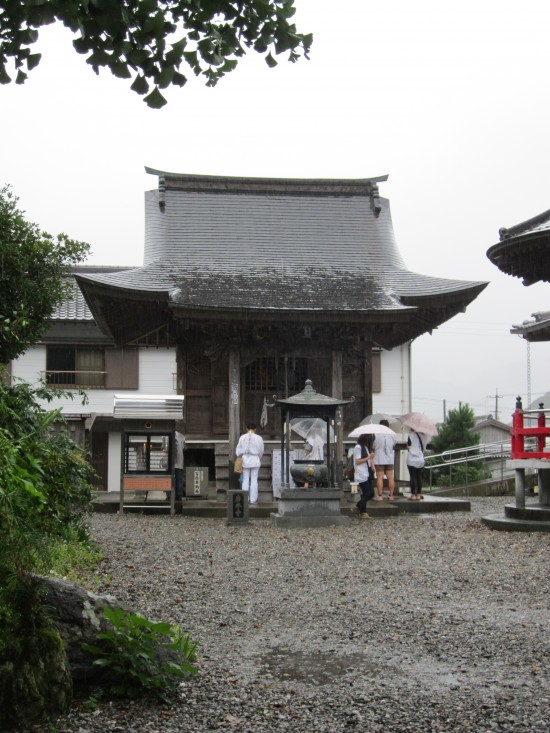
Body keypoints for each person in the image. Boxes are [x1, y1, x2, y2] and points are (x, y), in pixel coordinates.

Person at [236, 422, 264, 504]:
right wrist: (259, 457)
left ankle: (245, 499)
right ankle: (253, 499)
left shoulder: (242, 437)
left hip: (245, 459)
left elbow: (238, 451)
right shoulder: (259, 438)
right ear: (255, 429)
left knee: (245, 479)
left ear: (247, 429)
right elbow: (261, 450)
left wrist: (241, 455)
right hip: (255, 459)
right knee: (254, 480)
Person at [352, 433, 375, 519]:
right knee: (369, 493)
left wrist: (372, 464)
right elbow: (358, 461)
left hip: (367, 472)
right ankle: (357, 507)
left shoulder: (365, 447)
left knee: (367, 493)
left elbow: (369, 459)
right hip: (361, 473)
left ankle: (363, 512)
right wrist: (369, 457)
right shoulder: (358, 447)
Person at [373, 420, 397, 500]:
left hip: (379, 458)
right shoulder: (392, 434)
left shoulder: (376, 435)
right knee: (390, 478)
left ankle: (380, 496)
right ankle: (391, 495)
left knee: (380, 478)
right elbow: (394, 444)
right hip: (389, 458)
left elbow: (373, 445)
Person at [407, 429, 427, 500]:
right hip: (420, 459)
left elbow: (409, 447)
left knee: (412, 476)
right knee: (418, 477)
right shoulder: (424, 435)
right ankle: (418, 494)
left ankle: (413, 495)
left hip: (412, 459)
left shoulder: (410, 435)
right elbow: (424, 448)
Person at [174, 431, 186, 500]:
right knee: (179, 479)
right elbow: (184, 448)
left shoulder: (165, 435)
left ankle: (170, 496)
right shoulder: (181, 436)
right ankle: (179, 496)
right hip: (179, 462)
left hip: (171, 464)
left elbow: (164, 448)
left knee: (171, 480)